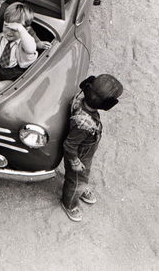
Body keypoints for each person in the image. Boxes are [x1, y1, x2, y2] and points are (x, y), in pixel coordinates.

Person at [61, 74, 123, 222]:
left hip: (85, 151)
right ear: (108, 105)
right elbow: (69, 145)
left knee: (82, 177)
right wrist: (75, 162)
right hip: (80, 157)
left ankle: (80, 189)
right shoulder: (83, 124)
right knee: (75, 180)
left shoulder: (80, 99)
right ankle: (69, 203)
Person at [0, 2, 38, 92]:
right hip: (0, 69)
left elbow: (31, 49)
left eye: (15, 29)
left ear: (25, 30)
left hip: (15, 78)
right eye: (6, 26)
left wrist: (21, 29)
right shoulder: (0, 37)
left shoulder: (24, 44)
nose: (9, 32)